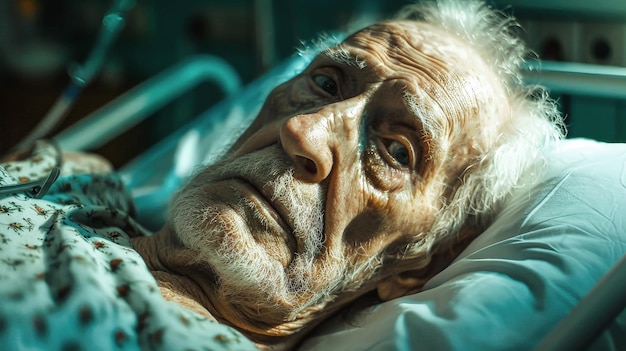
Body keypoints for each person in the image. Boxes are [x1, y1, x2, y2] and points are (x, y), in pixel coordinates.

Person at [0, 0, 563, 350]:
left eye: (395, 150)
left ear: (421, 261)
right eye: (325, 84)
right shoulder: (74, 178)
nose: (305, 134)